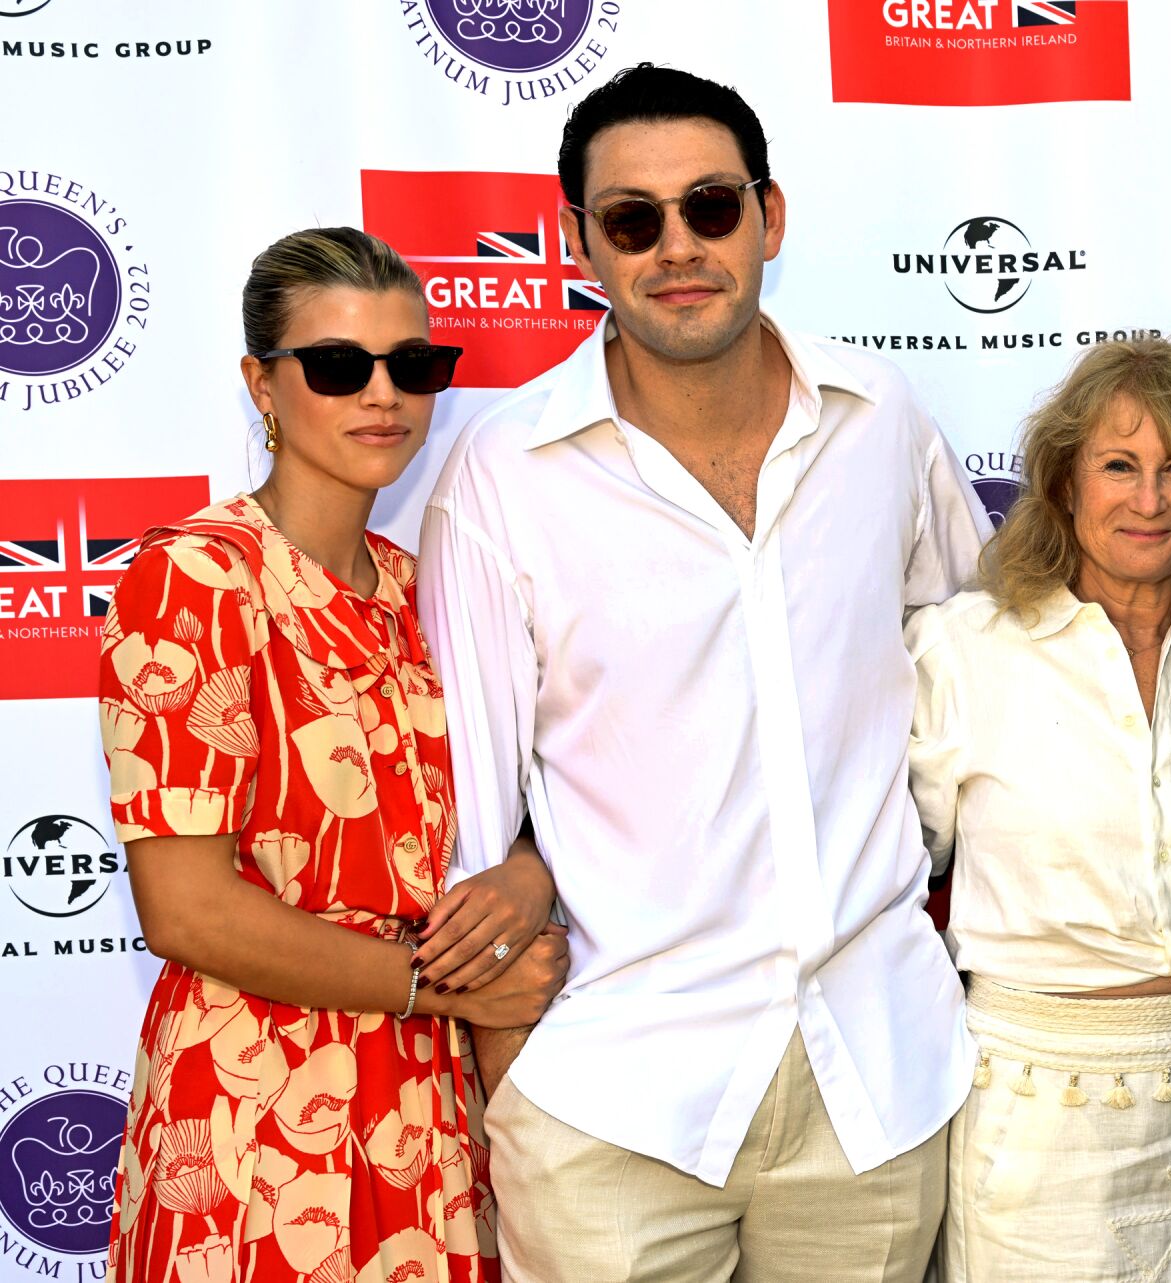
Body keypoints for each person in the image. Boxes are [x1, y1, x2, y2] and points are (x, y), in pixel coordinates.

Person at [417, 64, 990, 1282]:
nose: (677, 247)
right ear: (580, 242)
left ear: (769, 218)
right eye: (632, 220)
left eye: (711, 207)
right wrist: (515, 1078)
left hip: (871, 1081)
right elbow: (470, 806)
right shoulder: (503, 472)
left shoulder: (880, 415)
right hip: (612, 1097)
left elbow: (966, 676)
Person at [98, 227, 567, 1283]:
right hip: (254, 1105)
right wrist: (444, 991)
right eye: (339, 366)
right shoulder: (196, 580)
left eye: (415, 364)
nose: (383, 394)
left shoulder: (433, 583)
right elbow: (187, 909)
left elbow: (544, 798)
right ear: (261, 383)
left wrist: (528, 875)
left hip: (436, 1105)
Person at [905, 338, 1171, 1281]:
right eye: (1119, 465)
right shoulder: (965, 651)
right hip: (1036, 1138)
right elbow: (885, 875)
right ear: (1064, 482)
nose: (1149, 500)